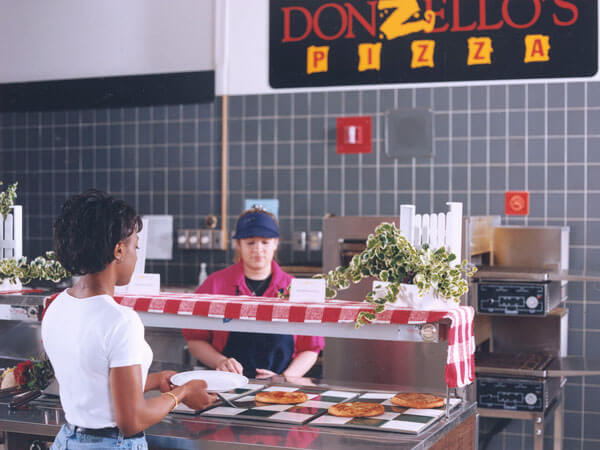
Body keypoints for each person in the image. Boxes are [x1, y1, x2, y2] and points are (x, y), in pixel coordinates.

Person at [42, 190, 215, 449]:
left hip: (68, 440)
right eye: (136, 247)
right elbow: (132, 420)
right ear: (119, 250)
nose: (136, 256)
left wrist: (155, 381)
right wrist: (183, 392)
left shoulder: (57, 305)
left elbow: (95, 386)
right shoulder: (120, 320)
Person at [183, 207, 324, 379]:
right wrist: (220, 361)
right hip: (226, 384)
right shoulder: (215, 284)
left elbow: (311, 348)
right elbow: (195, 340)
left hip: (281, 389)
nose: (258, 249)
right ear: (238, 245)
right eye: (250, 242)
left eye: (265, 242)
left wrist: (284, 379)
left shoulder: (294, 288)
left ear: (276, 243)